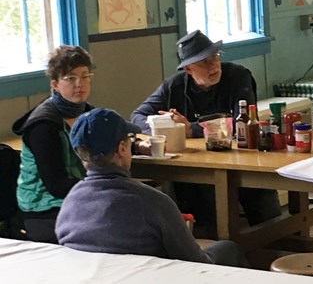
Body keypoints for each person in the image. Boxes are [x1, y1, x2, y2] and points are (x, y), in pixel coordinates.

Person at [130, 30, 281, 235]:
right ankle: (211, 244)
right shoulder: (173, 86)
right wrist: (165, 127)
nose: (213, 65)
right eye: (204, 62)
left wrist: (190, 129)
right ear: (188, 69)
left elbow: (241, 125)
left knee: (264, 204)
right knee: (186, 189)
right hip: (198, 165)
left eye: (215, 57)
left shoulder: (238, 76)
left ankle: (273, 240)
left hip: (242, 161)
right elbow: (137, 116)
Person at [55, 108, 249, 267]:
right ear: (122, 149)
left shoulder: (70, 203)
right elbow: (195, 261)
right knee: (227, 249)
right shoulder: (153, 202)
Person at [10, 46, 150, 243]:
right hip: (45, 210)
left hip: (82, 197)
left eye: (85, 76)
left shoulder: (88, 114)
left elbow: (107, 140)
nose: (80, 84)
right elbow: (56, 185)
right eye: (70, 78)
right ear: (55, 85)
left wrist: (137, 147)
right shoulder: (44, 126)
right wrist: (106, 188)